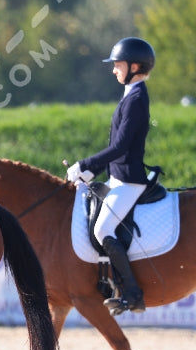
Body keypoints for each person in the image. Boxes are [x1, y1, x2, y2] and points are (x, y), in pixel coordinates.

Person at [66, 37, 156, 316]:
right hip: (118, 176)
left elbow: (121, 146)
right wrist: (93, 171)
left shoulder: (137, 97)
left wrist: (85, 163)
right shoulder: (131, 93)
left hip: (130, 180)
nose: (114, 69)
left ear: (135, 66)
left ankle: (132, 293)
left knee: (102, 229)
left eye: (118, 64)